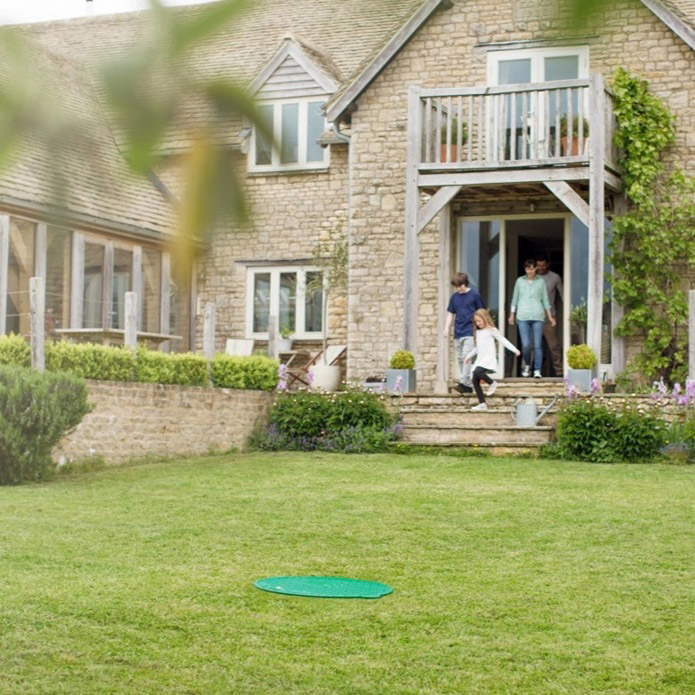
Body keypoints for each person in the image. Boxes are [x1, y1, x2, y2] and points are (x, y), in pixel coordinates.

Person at [464, 308, 520, 411]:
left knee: (477, 372)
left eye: (479, 321)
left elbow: (503, 340)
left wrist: (514, 349)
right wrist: (468, 356)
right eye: (476, 321)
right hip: (480, 359)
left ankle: (492, 383)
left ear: (485, 318)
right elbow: (477, 348)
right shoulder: (479, 332)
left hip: (488, 358)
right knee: (475, 380)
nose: (478, 323)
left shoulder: (492, 330)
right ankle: (482, 403)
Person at [508, 259, 556, 378]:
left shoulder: (541, 282)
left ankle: (537, 370)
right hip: (522, 316)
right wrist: (512, 315)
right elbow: (515, 299)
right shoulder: (519, 281)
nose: (529, 271)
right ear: (525, 269)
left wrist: (550, 316)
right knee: (525, 345)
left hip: (538, 316)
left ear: (535, 269)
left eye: (532, 268)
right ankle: (528, 365)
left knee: (537, 345)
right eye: (527, 268)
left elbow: (545, 300)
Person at [443, 272, 485, 393]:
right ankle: (467, 384)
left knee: (466, 357)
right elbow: (451, 314)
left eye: (460, 286)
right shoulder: (454, 297)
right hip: (458, 332)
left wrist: (482, 328)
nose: (458, 289)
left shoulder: (474, 295)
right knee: (460, 359)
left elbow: (482, 312)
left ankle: (463, 382)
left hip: (470, 331)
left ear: (465, 283)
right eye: (456, 287)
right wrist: (447, 328)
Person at [536, 252, 564, 376]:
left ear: (547, 264)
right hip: (533, 316)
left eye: (543, 265)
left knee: (553, 345)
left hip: (549, 316)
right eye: (538, 265)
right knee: (532, 345)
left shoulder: (555, 277)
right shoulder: (531, 278)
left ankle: (559, 371)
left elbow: (563, 295)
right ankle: (529, 371)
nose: (541, 268)